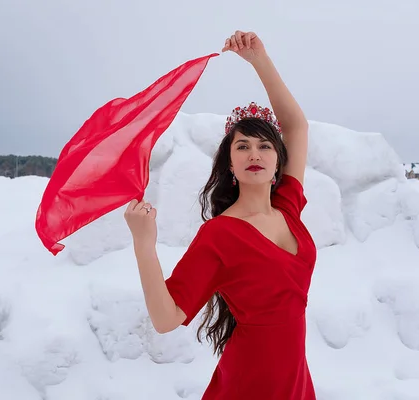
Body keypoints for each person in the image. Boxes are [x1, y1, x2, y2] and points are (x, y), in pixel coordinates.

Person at [124, 30, 316, 400]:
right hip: (250, 380)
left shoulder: (288, 207)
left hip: (294, 377)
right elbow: (167, 319)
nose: (254, 154)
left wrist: (259, 59)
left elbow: (296, 126)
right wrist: (143, 244)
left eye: (264, 146)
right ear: (231, 164)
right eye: (242, 146)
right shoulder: (220, 235)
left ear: (278, 162)